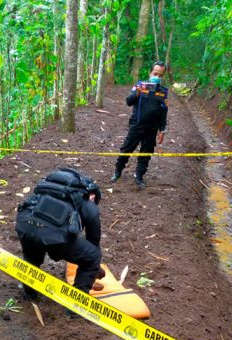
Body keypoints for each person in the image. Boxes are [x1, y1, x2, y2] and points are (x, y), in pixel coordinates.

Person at [15, 168, 103, 300]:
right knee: (93, 256)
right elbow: (93, 241)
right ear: (92, 194)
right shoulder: (88, 205)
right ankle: (76, 304)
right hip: (54, 237)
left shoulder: (48, 189)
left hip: (25, 227)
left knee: (31, 256)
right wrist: (94, 268)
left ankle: (30, 294)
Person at [111, 61, 169, 189]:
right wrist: (137, 93)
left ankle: (139, 177)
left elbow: (164, 111)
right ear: (150, 73)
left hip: (152, 128)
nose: (157, 77)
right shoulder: (140, 86)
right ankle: (117, 172)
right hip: (136, 125)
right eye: (155, 74)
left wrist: (162, 130)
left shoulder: (163, 92)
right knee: (126, 149)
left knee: (146, 154)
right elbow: (128, 102)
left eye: (160, 75)